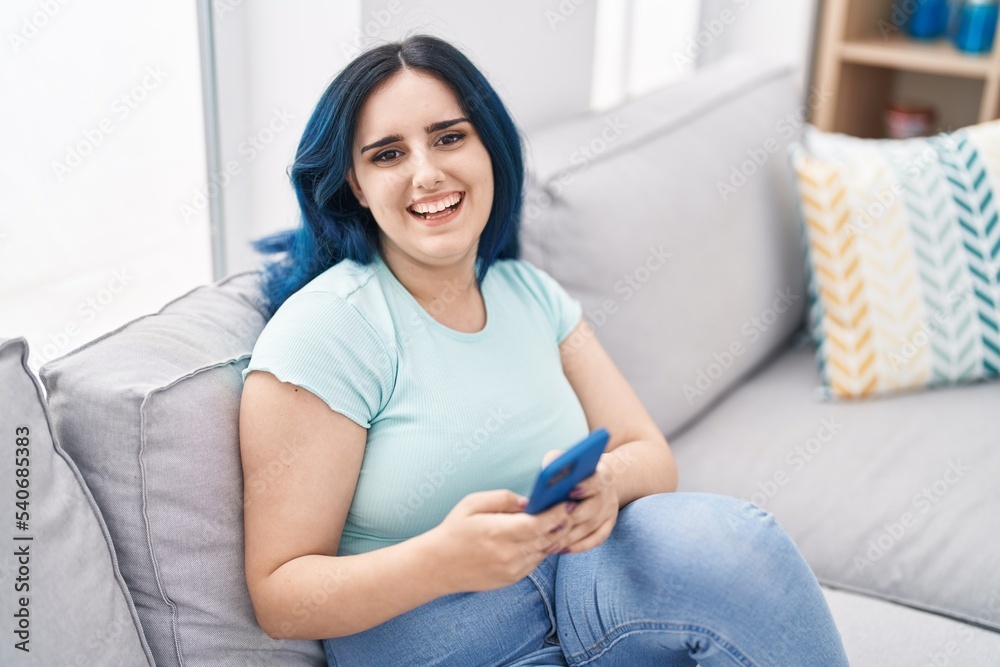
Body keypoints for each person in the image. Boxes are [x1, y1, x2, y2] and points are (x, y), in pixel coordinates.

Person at [238, 34, 851, 667]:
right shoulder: (327, 331)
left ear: (490, 150)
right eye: (388, 154)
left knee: (741, 546)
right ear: (357, 186)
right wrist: (441, 561)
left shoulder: (528, 293)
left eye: (450, 137)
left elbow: (648, 453)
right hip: (445, 641)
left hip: (577, 587)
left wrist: (606, 483)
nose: (427, 173)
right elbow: (280, 596)